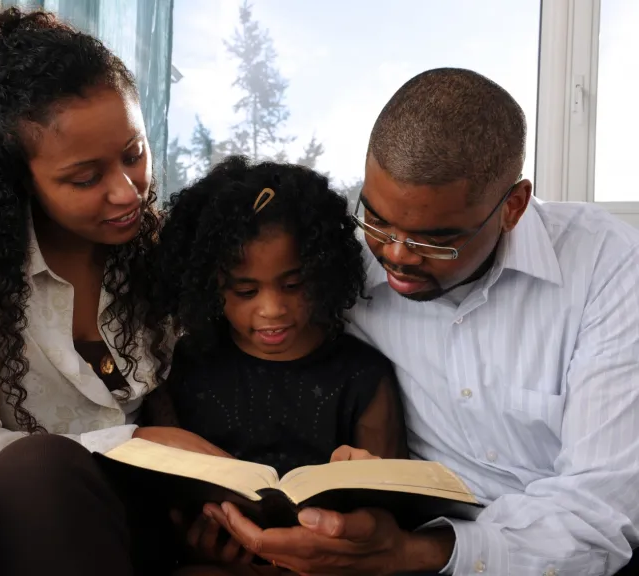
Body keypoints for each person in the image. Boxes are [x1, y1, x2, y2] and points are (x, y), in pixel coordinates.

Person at [203, 68, 639, 575]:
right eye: (378, 219)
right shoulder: (337, 264)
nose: (396, 255)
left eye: (436, 239)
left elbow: (599, 513)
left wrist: (413, 553)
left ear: (513, 206)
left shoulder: (608, 266)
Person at [0, 7, 224, 576]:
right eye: (86, 178)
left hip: (118, 517)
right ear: (15, 178)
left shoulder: (160, 254)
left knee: (43, 474)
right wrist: (129, 440)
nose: (128, 191)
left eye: (134, 153)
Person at [145, 156, 407, 572]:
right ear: (210, 285)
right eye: (246, 291)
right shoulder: (188, 365)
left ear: (323, 272)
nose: (272, 309)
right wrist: (200, 544)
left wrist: (336, 535)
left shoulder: (363, 377)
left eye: (293, 285)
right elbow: (169, 497)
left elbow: (387, 516)